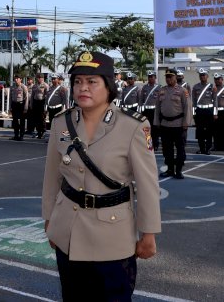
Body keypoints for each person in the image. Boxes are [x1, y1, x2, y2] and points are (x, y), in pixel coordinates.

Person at [42, 51, 160, 301]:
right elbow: (52, 176)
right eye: (77, 81)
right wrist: (49, 219)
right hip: (68, 233)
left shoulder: (133, 126)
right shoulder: (61, 123)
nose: (83, 87)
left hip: (113, 237)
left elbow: (148, 184)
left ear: (108, 86)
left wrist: (148, 233)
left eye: (92, 82)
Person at [155, 69, 192, 178]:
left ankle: (179, 170)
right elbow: (157, 108)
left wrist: (186, 123)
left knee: (180, 148)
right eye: (167, 77)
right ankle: (170, 169)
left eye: (171, 76)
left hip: (178, 124)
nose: (168, 79)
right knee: (167, 149)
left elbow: (187, 108)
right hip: (165, 125)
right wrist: (157, 122)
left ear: (175, 77)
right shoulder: (162, 90)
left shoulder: (182, 91)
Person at [192, 68, 215, 154]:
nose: (202, 77)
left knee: (209, 130)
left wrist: (215, 113)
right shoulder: (195, 87)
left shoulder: (212, 87)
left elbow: (215, 100)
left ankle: (208, 148)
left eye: (204, 75)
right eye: (201, 75)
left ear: (207, 76)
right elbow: (194, 101)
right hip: (199, 110)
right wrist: (194, 112)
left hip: (209, 110)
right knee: (199, 130)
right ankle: (201, 148)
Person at [139, 71, 161, 151]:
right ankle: (149, 144)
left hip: (155, 110)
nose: (150, 78)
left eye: (152, 77)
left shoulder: (159, 87)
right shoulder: (144, 87)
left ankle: (155, 144)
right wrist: (140, 109)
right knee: (147, 128)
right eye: (149, 77)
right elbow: (141, 99)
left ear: (155, 77)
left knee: (155, 128)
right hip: (146, 111)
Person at [212, 73, 224, 152]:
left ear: (222, 79)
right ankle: (216, 146)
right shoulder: (212, 88)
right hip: (215, 112)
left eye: (218, 79)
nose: (217, 81)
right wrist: (214, 113)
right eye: (215, 79)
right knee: (215, 130)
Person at [9, 74, 28, 141]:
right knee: (15, 121)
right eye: (15, 78)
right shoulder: (12, 87)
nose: (16, 80)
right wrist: (10, 107)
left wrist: (25, 108)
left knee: (22, 121)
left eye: (17, 78)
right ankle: (16, 135)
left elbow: (26, 97)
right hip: (14, 105)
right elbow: (10, 98)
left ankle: (21, 135)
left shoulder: (23, 87)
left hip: (21, 105)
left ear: (21, 79)